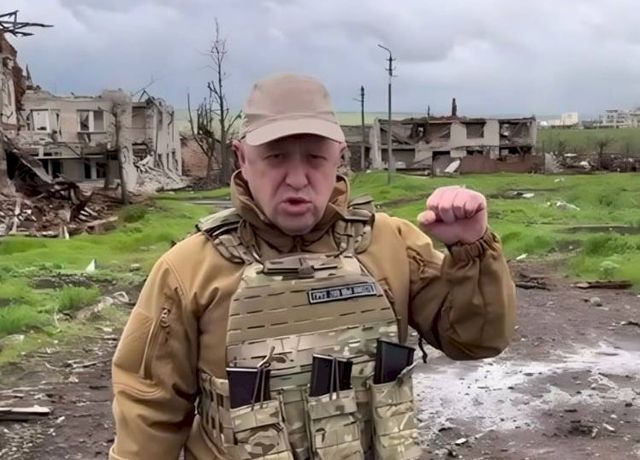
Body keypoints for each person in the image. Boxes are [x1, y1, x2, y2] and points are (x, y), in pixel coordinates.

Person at [109, 73, 517, 460]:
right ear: (241, 157)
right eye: (276, 157)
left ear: (339, 157)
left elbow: (476, 341)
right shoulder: (189, 269)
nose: (297, 179)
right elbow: (149, 410)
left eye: (315, 158)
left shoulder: (391, 245)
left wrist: (471, 248)